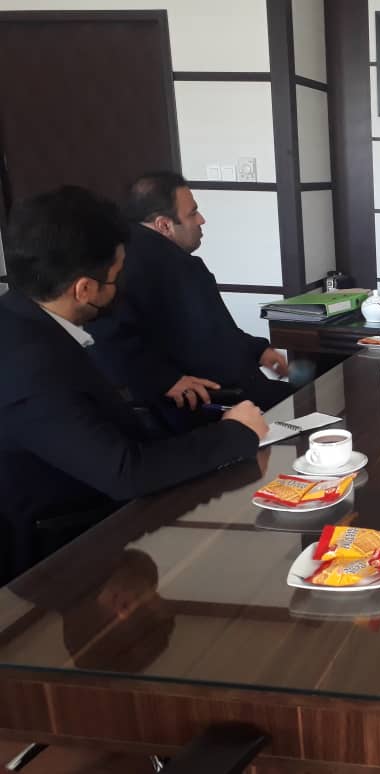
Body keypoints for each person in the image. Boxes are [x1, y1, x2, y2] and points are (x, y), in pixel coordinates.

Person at [0, 186, 268, 579]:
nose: (121, 287)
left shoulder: (19, 316)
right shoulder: (28, 366)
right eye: (115, 277)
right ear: (84, 289)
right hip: (67, 554)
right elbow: (125, 472)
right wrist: (235, 433)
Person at [87, 172, 293, 424]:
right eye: (193, 213)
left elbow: (214, 332)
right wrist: (164, 380)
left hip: (216, 392)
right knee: (311, 401)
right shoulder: (166, 267)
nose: (201, 220)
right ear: (164, 225)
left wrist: (258, 349)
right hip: (209, 403)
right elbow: (107, 339)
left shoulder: (129, 255)